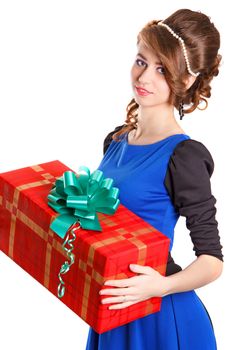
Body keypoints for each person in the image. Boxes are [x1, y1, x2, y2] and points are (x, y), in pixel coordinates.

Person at [85, 8, 223, 350]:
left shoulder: (184, 156)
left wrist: (159, 286)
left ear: (186, 81)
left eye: (162, 70)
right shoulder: (115, 140)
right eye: (142, 61)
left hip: (160, 314)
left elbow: (212, 261)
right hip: (114, 306)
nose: (144, 77)